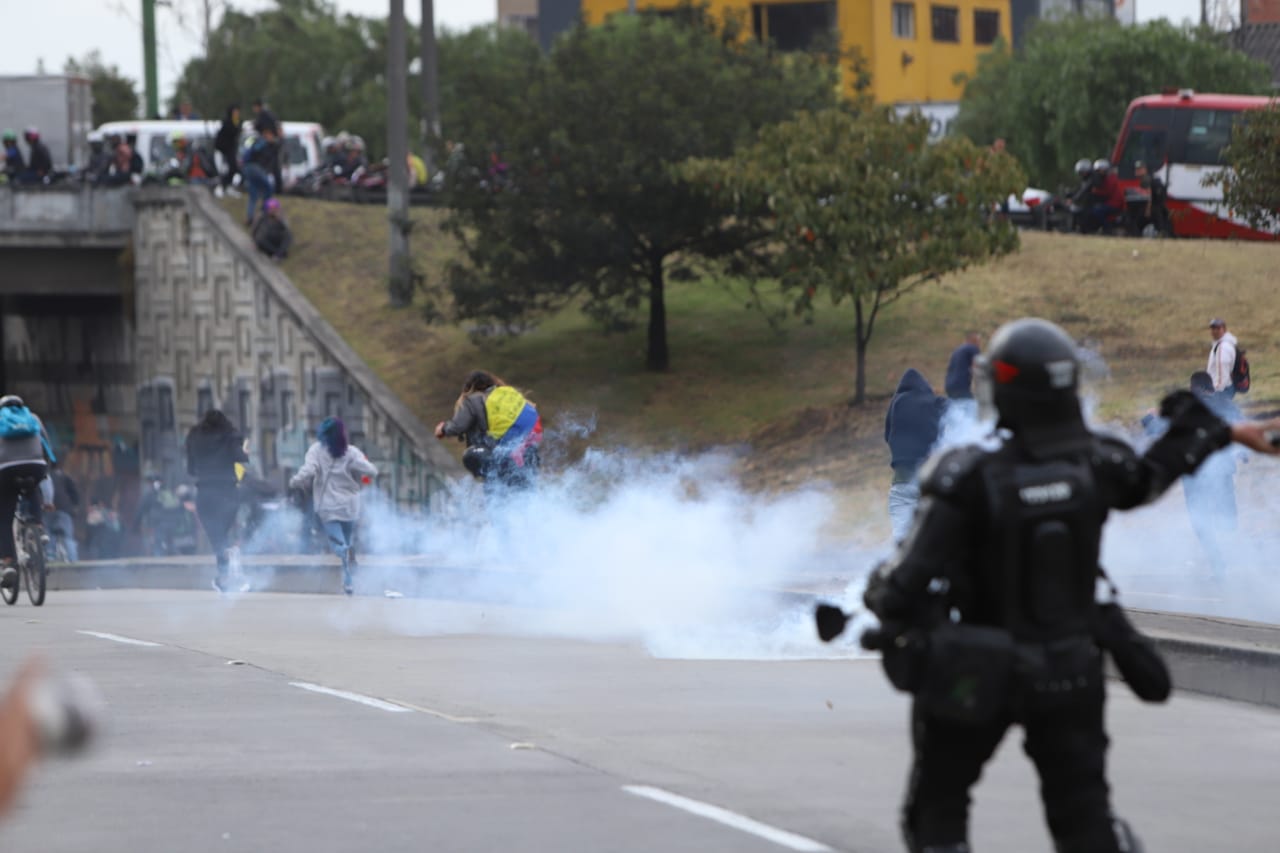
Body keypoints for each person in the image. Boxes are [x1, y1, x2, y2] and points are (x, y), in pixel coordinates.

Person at [860, 317, 1280, 853]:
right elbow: (1151, 473)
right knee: (1085, 821)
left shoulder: (965, 473)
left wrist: (886, 604)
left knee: (937, 815)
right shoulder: (1092, 461)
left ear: (1002, 388)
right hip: (1068, 673)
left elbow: (900, 585)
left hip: (977, 674)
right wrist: (1222, 431)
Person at [289, 418, 376, 596]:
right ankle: (349, 583)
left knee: (337, 542)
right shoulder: (351, 452)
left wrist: (295, 480)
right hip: (350, 505)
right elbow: (371, 470)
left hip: (328, 506)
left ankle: (345, 551)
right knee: (347, 538)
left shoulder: (316, 450)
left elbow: (309, 470)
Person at [436, 371, 542, 494]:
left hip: (497, 456)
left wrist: (443, 429)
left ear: (469, 388)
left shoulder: (472, 399)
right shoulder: (509, 396)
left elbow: (458, 426)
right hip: (525, 453)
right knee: (526, 494)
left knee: (497, 495)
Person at [184, 409, 248, 592]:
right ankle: (227, 572)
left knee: (216, 538)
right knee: (222, 537)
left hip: (205, 494)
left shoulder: (194, 437)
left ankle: (226, 574)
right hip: (228, 493)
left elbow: (191, 469)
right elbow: (242, 457)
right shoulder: (231, 436)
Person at [884, 369, 947, 543]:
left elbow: (887, 435)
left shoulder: (896, 403)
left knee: (901, 539)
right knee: (934, 537)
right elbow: (956, 414)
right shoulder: (933, 402)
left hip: (901, 482)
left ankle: (901, 567)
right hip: (928, 481)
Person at [0, 396, 54, 589]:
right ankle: (38, 527)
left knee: (4, 519)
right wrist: (44, 468)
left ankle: (7, 563)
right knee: (33, 487)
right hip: (35, 465)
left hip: (7, 469)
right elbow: (46, 443)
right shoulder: (33, 418)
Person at [240, 127, 279, 225]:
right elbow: (258, 152)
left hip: (247, 167)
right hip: (255, 167)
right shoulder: (262, 142)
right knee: (268, 188)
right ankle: (265, 211)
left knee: (253, 194)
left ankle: (250, 217)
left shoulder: (253, 140)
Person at [1083, 158, 1124, 234]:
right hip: (1111, 203)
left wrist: (1095, 191)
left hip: (1114, 204)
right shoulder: (1107, 178)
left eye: (1099, 171)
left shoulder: (1111, 178)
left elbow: (1107, 192)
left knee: (1097, 211)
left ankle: (1107, 228)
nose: (1098, 173)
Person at [48, 465, 80, 563]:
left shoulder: (44, 476)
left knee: (50, 535)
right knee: (68, 536)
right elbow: (74, 493)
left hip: (48, 509)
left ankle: (50, 556)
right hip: (64, 509)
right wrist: (75, 505)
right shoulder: (65, 476)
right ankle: (73, 558)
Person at [943, 332, 982, 401]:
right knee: (971, 406)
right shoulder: (973, 348)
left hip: (949, 385)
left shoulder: (957, 350)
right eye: (979, 341)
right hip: (961, 386)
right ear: (974, 341)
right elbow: (977, 368)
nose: (979, 344)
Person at [214, 104, 241, 197]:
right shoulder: (228, 123)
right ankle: (220, 187)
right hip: (222, 151)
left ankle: (228, 186)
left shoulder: (236, 122)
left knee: (233, 168)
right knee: (222, 170)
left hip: (230, 150)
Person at [1207, 317, 1238, 398]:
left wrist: (1216, 391)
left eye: (1218, 328)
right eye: (1213, 328)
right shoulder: (1224, 344)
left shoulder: (1222, 347)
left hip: (1222, 390)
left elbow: (1223, 373)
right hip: (1226, 387)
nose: (1215, 331)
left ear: (1224, 329)